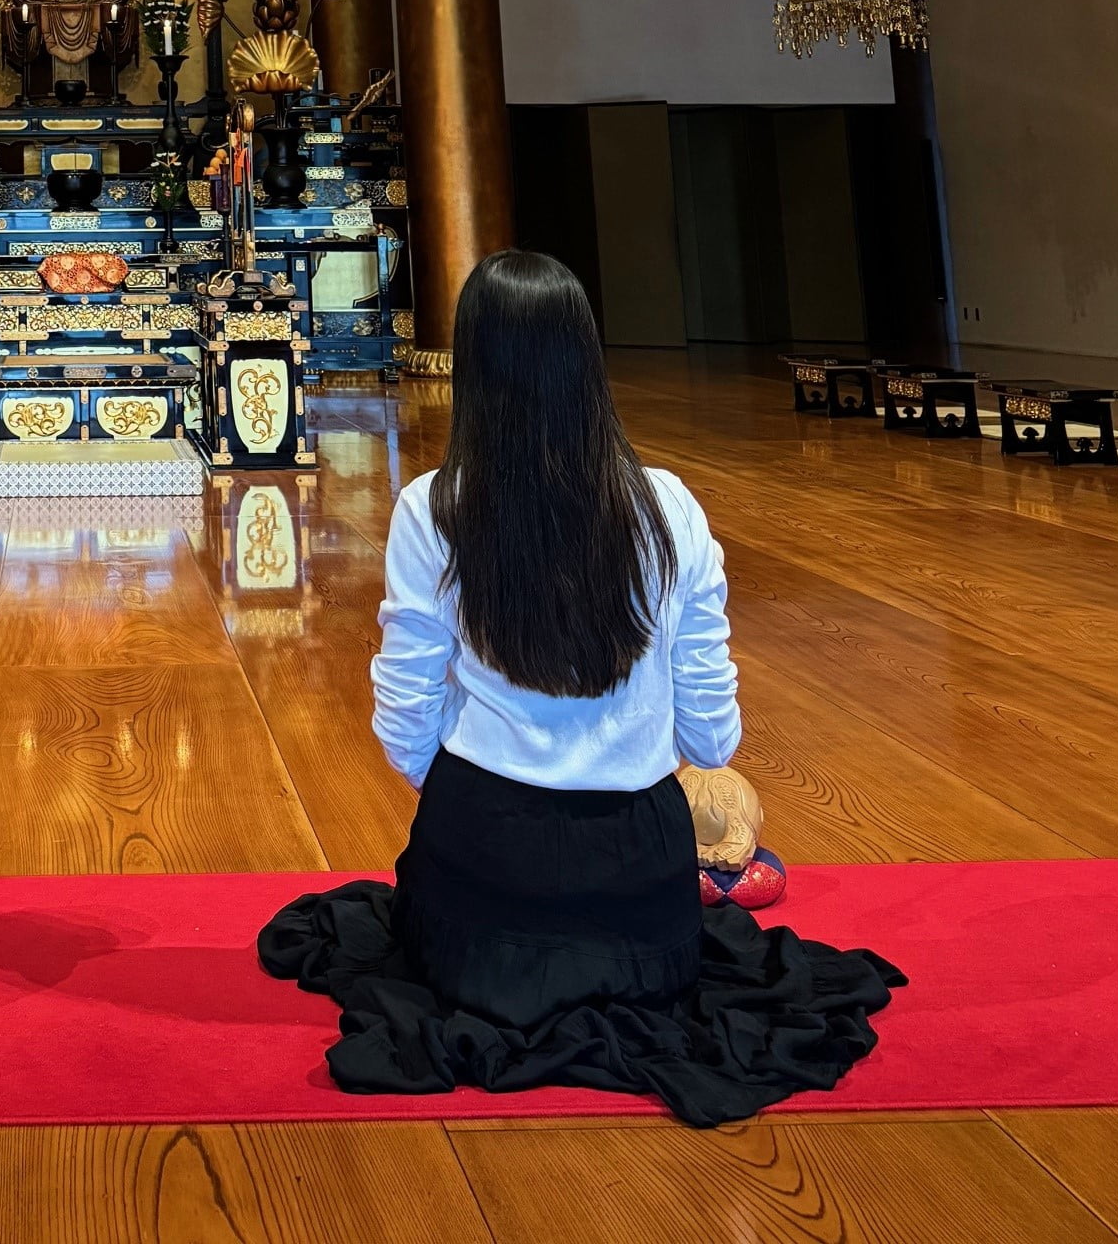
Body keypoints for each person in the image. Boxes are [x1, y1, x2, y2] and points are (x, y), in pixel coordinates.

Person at [260, 250, 901, 1126]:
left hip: (486, 867)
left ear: (475, 366)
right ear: (586, 358)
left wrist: (469, 792)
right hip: (640, 888)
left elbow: (404, 719)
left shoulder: (433, 508)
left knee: (411, 919)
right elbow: (712, 736)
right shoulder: (669, 507)